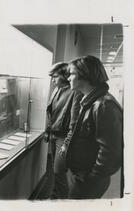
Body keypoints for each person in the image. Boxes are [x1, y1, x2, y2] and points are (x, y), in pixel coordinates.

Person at [66, 55, 123, 199]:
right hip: (83, 175)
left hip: (89, 180)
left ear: (85, 75)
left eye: (72, 74)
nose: (68, 78)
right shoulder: (91, 100)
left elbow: (111, 152)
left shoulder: (103, 105)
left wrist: (91, 178)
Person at [45, 62, 83, 199]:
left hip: (64, 137)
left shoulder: (75, 92)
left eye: (55, 76)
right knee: (53, 170)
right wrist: (47, 131)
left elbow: (75, 123)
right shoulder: (56, 90)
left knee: (58, 171)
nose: (53, 80)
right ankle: (55, 196)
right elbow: (51, 112)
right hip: (53, 135)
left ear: (65, 75)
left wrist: (67, 143)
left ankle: (61, 200)